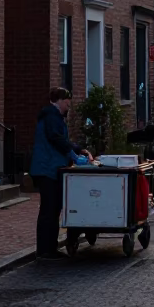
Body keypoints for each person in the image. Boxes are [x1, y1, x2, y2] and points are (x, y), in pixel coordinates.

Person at [31, 87, 91, 259]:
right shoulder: (52, 117)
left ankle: (49, 247)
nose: (68, 106)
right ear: (59, 100)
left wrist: (77, 150)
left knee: (53, 208)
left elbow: (61, 140)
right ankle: (45, 250)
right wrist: (73, 153)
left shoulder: (53, 117)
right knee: (49, 209)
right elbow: (56, 139)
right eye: (67, 102)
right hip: (47, 169)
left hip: (51, 168)